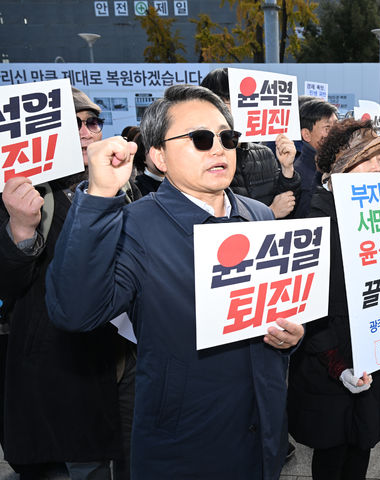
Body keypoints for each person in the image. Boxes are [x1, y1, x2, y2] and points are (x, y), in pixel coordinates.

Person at [45, 84, 305, 479]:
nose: (218, 149)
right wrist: (98, 195)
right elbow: (75, 311)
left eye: (227, 138)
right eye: (200, 139)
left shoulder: (258, 216)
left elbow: (270, 312)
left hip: (263, 435)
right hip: (185, 447)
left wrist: (288, 338)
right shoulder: (135, 224)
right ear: (158, 156)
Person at [287, 119, 380, 480]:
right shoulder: (314, 216)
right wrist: (336, 364)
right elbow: (306, 303)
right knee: (332, 451)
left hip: (375, 350)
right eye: (366, 159)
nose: (378, 167)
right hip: (331, 358)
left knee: (362, 445)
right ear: (340, 165)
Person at [1, 88, 134, 479]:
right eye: (71, 124)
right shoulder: (16, 195)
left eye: (91, 121)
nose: (86, 132)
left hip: (123, 362)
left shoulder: (122, 186)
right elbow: (6, 287)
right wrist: (20, 231)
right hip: (60, 368)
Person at [200, 68, 301, 219]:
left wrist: (287, 169)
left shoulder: (265, 153)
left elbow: (287, 205)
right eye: (228, 102)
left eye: (241, 101)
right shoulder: (204, 157)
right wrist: (270, 213)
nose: (236, 109)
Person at [295, 99, 338, 217]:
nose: (336, 132)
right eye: (327, 128)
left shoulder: (337, 166)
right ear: (306, 134)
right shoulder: (299, 176)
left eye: (337, 125)